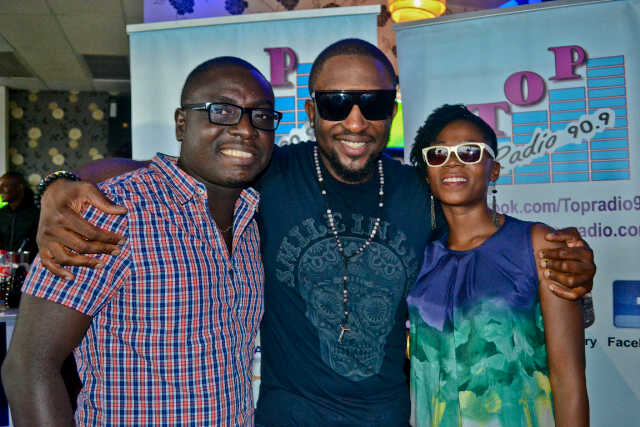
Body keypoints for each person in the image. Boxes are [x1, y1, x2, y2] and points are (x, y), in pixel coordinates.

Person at [32, 39, 595, 426]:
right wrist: (61, 184)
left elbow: (482, 247)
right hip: (286, 415)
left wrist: (565, 261)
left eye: (373, 104)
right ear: (311, 109)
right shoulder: (269, 171)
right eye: (336, 103)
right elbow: (169, 170)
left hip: (389, 415)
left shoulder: (415, 189)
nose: (355, 121)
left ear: (391, 110)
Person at [1, 56, 279, 425]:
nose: (245, 128)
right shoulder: (113, 211)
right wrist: (58, 182)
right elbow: (28, 366)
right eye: (222, 111)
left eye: (260, 115)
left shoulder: (249, 223)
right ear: (182, 123)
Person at [407, 104, 588, 426]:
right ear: (427, 174)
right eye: (438, 154)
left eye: (470, 152)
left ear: (494, 170)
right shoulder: (418, 257)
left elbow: (568, 378)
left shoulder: (538, 243)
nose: (453, 162)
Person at [0, 172, 39, 258]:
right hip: (5, 264)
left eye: (4, 186)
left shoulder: (37, 213)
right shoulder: (2, 214)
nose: (0, 190)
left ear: (19, 187)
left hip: (30, 264)